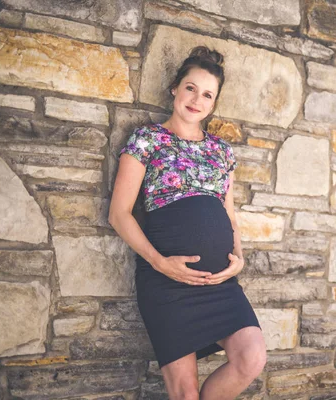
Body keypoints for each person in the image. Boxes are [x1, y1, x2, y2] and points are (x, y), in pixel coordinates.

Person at [109, 46, 266, 400]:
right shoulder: (147, 140)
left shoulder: (222, 152)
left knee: (251, 357)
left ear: (213, 104)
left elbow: (228, 214)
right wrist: (159, 262)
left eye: (207, 94)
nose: (197, 99)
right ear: (175, 89)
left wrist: (238, 257)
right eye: (191, 88)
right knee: (184, 393)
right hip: (167, 282)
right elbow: (119, 214)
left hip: (220, 286)